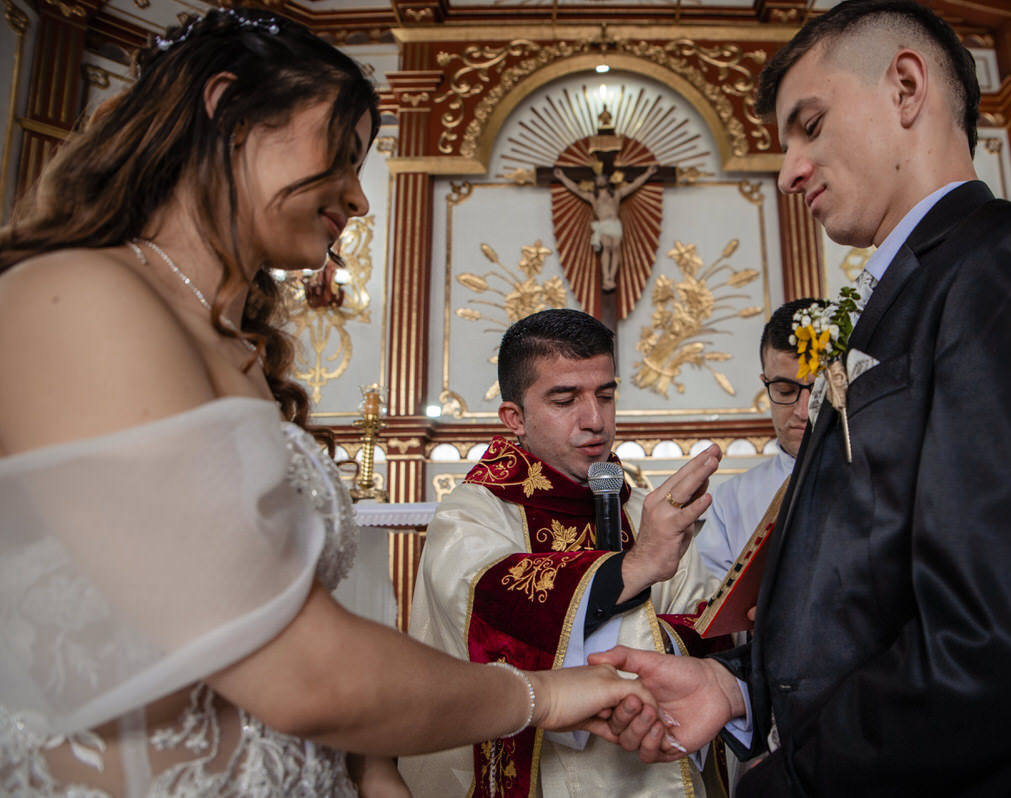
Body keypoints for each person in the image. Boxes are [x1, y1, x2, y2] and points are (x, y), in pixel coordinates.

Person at [0, 10, 655, 797]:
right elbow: (298, 668)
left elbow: (294, 619)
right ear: (227, 110)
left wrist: (375, 775)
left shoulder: (235, 349)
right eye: (341, 158)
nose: (359, 198)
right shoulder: (79, 298)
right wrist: (543, 694)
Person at [589, 1, 1011, 795]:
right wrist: (738, 689)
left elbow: (1010, 646)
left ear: (907, 86)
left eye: (810, 125)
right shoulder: (905, 294)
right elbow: (866, 587)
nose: (787, 170)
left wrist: (793, 781)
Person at [399, 308, 723, 797]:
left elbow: (701, 622)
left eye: (606, 395)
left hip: (648, 755)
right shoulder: (474, 512)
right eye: (565, 399)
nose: (595, 421)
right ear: (515, 418)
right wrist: (632, 570)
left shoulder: (642, 509)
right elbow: (492, 608)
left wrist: (663, 656)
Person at [697, 298, 819, 580]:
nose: (803, 412)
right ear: (765, 383)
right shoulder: (730, 502)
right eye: (786, 391)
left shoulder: (882, 482)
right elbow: (708, 606)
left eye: (819, 390)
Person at [553, 165, 657, 292]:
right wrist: (562, 177)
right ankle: (606, 277)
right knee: (607, 247)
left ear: (607, 181)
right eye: (598, 179)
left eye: (602, 178)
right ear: (595, 182)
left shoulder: (616, 195)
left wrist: (647, 173)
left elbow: (633, 186)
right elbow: (576, 189)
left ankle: (611, 277)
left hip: (615, 224)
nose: (600, 180)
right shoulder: (593, 197)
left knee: (615, 248)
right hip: (603, 224)